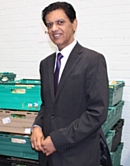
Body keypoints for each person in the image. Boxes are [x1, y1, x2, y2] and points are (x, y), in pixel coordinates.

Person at [31, 2, 112, 166]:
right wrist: (37, 127)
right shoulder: (45, 64)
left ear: (74, 24)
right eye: (50, 24)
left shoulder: (92, 60)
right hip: (48, 157)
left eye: (60, 22)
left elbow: (97, 112)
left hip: (79, 155)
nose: (54, 28)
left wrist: (57, 140)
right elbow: (47, 105)